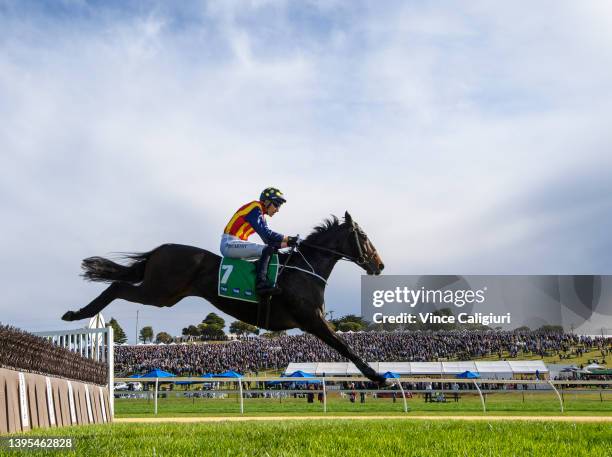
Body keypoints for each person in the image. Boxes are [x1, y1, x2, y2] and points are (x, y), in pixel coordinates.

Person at [221, 187, 298, 295]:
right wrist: (288, 238)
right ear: (266, 202)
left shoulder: (261, 216)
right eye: (276, 205)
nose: (277, 209)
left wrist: (288, 244)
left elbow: (269, 241)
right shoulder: (255, 207)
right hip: (229, 244)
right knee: (267, 250)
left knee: (270, 250)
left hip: (236, 244)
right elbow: (266, 233)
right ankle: (261, 283)